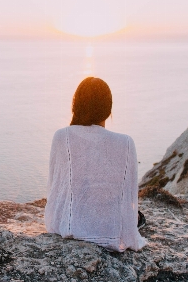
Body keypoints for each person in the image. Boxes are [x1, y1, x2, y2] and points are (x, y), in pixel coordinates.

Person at [44, 77, 147, 252]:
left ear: (75, 105)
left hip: (70, 226)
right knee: (138, 217)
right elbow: (129, 195)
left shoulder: (61, 137)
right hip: (110, 227)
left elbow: (55, 189)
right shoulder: (126, 142)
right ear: (108, 110)